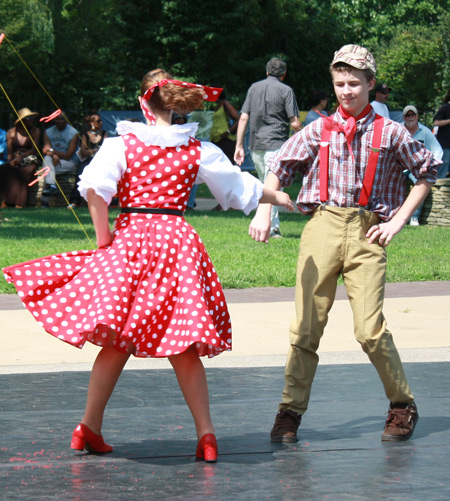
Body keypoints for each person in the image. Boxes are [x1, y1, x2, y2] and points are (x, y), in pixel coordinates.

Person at [3, 69, 293, 462]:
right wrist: (280, 198)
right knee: (183, 343)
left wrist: (104, 242)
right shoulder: (197, 149)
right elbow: (239, 187)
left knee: (117, 340)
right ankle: (206, 435)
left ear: (143, 102)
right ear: (173, 103)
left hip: (133, 243)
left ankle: (88, 425)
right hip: (177, 245)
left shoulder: (121, 146)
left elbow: (95, 192)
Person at [249, 44, 441, 444]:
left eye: (354, 83)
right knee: (305, 328)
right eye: (339, 83)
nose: (346, 91)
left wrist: (400, 220)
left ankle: (402, 404)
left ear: (371, 84)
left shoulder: (390, 132)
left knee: (369, 329)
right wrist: (264, 210)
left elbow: (426, 173)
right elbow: (278, 168)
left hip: (368, 229)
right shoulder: (318, 129)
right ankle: (289, 412)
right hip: (322, 225)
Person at [235, 57, 301, 238]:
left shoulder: (254, 88)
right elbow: (294, 123)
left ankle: (269, 224)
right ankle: (270, 228)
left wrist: (239, 145)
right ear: (284, 74)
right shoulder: (286, 90)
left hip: (255, 145)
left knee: (266, 186)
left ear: (266, 72)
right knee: (273, 189)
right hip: (277, 144)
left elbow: (243, 118)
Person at [402, 105, 443, 225]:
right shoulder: (399, 130)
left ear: (417, 116)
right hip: (401, 167)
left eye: (412, 115)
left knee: (420, 185)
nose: (410, 118)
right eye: (407, 115)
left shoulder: (425, 131)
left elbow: (438, 150)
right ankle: (393, 215)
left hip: (418, 168)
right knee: (391, 183)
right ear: (404, 117)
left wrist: (431, 165)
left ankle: (414, 217)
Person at [0, 108, 41, 208]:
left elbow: (34, 149)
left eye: (31, 118)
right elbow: (10, 152)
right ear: (22, 120)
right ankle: (7, 201)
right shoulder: (11, 132)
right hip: (15, 158)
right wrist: (11, 161)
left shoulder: (35, 131)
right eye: (28, 118)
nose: (31, 120)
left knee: (24, 173)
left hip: (29, 159)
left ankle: (19, 203)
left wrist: (21, 157)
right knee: (6, 169)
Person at [68, 111, 108, 208]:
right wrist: (95, 150)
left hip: (100, 160)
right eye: (98, 121)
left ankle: (102, 200)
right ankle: (75, 201)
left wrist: (93, 151)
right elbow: (83, 152)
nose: (101, 123)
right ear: (92, 123)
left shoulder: (104, 134)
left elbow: (106, 149)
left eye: (101, 120)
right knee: (80, 174)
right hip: (88, 160)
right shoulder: (85, 135)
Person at [41, 113, 78, 206]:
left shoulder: (73, 133)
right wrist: (53, 155)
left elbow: (68, 155)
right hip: (54, 161)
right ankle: (52, 186)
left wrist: (53, 152)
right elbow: (45, 150)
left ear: (66, 120)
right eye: (58, 119)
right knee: (48, 165)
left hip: (69, 163)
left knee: (48, 170)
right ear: (54, 120)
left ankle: (44, 202)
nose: (60, 121)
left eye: (62, 119)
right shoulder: (48, 132)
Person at [433, 89, 450, 179]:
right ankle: (438, 181)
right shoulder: (445, 107)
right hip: (445, 141)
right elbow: (436, 122)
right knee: (445, 161)